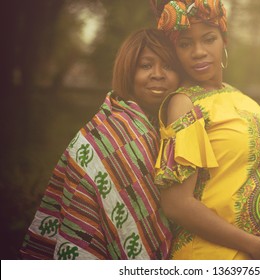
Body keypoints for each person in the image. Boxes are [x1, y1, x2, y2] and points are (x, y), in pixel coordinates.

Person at [151, 0, 260, 260]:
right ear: (175, 50)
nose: (198, 51)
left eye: (208, 39)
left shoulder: (240, 97)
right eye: (185, 44)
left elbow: (228, 173)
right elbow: (177, 204)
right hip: (217, 255)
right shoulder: (185, 104)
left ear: (224, 40)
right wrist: (251, 244)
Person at [19, 28, 181, 260]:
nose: (158, 74)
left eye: (168, 66)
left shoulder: (176, 128)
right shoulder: (104, 134)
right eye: (146, 66)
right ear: (128, 70)